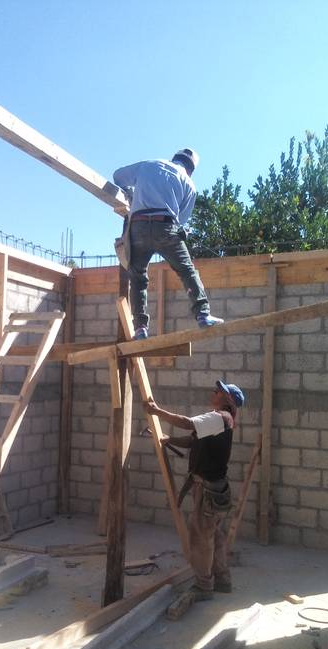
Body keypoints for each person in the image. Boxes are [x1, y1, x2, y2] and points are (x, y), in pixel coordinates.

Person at [143, 379, 245, 600]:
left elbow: (188, 423)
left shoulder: (221, 417)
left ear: (227, 399)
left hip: (209, 491)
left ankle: (203, 586)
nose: (214, 391)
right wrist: (169, 440)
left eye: (219, 391)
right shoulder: (217, 420)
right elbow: (192, 440)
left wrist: (156, 411)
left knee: (200, 537)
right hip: (214, 489)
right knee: (214, 536)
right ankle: (222, 580)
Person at [113, 149, 223, 340]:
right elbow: (180, 220)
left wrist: (131, 194)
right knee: (186, 271)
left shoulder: (149, 164)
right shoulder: (189, 183)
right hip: (165, 226)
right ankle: (203, 314)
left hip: (137, 226)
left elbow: (117, 176)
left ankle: (140, 329)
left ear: (174, 158)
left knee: (138, 278)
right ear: (190, 169)